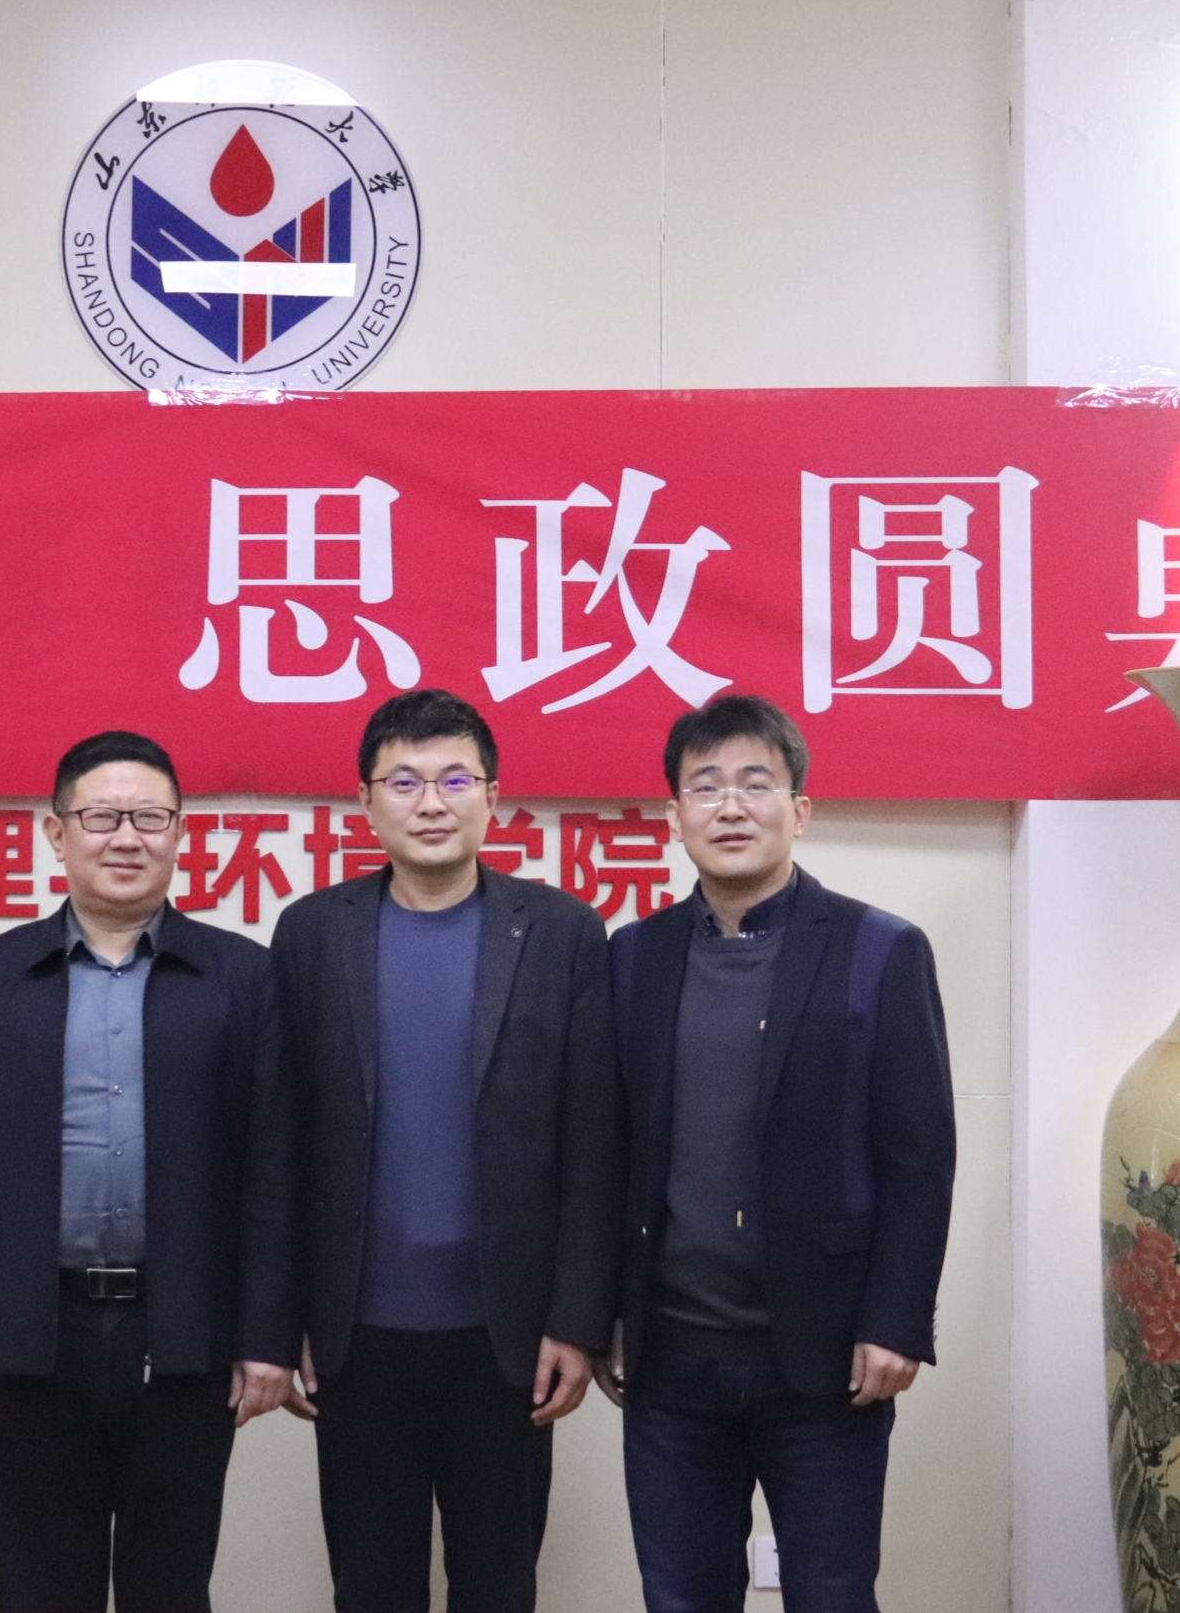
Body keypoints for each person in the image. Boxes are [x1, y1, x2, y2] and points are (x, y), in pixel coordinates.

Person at [598, 695, 956, 1613]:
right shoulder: (631, 958)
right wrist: (601, 1314)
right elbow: (607, 1149)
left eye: (754, 784)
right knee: (681, 1597)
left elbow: (919, 1157)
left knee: (832, 1595)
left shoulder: (879, 950)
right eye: (704, 786)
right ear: (673, 814)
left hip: (826, 1357)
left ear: (798, 810)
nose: (729, 807)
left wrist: (896, 1320)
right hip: (670, 1359)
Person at [270, 688, 621, 1613]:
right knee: (370, 1588)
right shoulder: (311, 933)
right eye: (404, 781)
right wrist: (281, 1315)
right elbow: (282, 1139)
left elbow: (592, 1140)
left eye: (455, 779)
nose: (431, 802)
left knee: (498, 1587)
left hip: (509, 1339)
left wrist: (577, 1321)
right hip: (353, 1335)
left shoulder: (561, 933)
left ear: (492, 797)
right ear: (365, 801)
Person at [0, 730, 298, 1613]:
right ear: (56, 834)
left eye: (149, 818)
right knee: (39, 1585)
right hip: (35, 1327)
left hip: (185, 1329)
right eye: (101, 817)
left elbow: (271, 1170)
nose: (125, 838)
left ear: (180, 834)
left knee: (169, 1584)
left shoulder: (242, 977)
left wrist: (267, 1336)